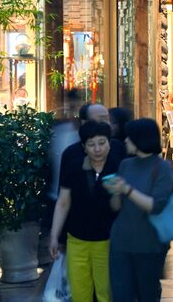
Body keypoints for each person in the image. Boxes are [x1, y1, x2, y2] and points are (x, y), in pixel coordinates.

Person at [103, 118, 173, 302]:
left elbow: (155, 206)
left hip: (149, 244)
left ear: (140, 139)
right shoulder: (126, 165)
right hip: (121, 242)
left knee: (147, 293)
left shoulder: (162, 168)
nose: (125, 141)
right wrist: (115, 192)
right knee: (120, 295)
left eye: (130, 137)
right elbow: (115, 207)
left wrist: (126, 190)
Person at [49, 121, 121, 302]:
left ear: (109, 143)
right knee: (80, 293)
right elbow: (63, 201)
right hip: (77, 239)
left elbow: (118, 207)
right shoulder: (74, 165)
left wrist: (117, 193)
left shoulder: (117, 164)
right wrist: (54, 235)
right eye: (91, 144)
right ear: (83, 146)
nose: (97, 149)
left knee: (106, 293)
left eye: (102, 143)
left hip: (107, 240)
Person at [60, 104, 126, 179]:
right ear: (84, 122)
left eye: (108, 119)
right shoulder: (71, 153)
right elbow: (64, 187)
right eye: (101, 119)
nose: (106, 123)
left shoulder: (118, 147)